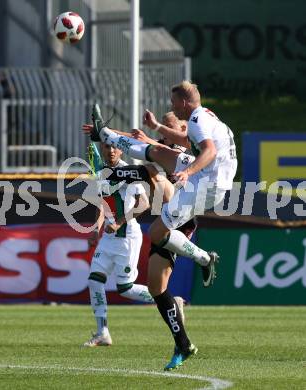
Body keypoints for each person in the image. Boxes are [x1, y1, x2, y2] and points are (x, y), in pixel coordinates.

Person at [89, 81, 237, 369]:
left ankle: (205, 258)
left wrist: (189, 171)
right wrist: (129, 133)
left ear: (183, 103)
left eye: (172, 105)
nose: (171, 110)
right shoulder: (203, 118)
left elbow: (203, 150)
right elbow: (157, 146)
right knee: (157, 286)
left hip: (202, 185)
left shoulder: (195, 122)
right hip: (202, 183)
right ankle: (184, 345)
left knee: (155, 229)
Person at [84, 141, 155, 347]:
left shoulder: (129, 172)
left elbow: (145, 203)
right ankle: (102, 332)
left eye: (115, 147)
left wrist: (119, 222)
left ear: (121, 149)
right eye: (107, 147)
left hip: (127, 236)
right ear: (103, 150)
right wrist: (95, 230)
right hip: (108, 237)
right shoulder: (101, 173)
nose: (111, 150)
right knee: (95, 281)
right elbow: (102, 205)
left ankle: (168, 300)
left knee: (125, 288)